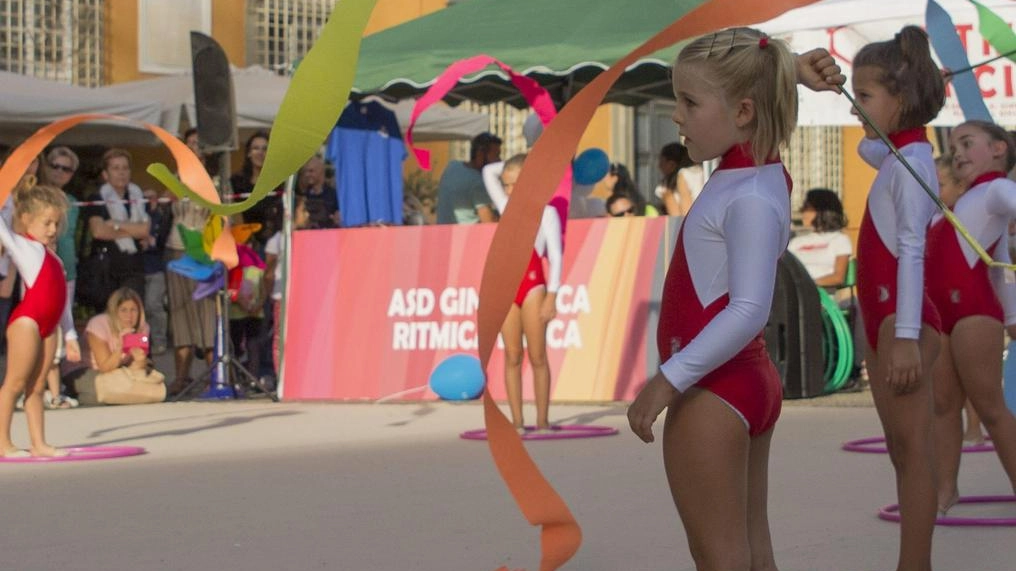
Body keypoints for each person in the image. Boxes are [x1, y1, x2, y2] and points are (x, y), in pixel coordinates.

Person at [627, 28, 843, 570]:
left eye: (688, 102)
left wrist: (666, 380)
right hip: (741, 383)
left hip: (714, 391)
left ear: (743, 111)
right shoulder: (757, 172)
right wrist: (788, 69)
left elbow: (748, 311)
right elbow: (751, 91)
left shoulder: (747, 194)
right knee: (750, 552)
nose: (676, 116)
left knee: (720, 558)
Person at [851, 26, 945, 571]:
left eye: (864, 96)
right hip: (885, 319)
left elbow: (912, 251)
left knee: (913, 455)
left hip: (903, 323)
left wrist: (906, 338)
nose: (854, 107)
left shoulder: (912, 165)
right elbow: (869, 143)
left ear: (902, 99)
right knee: (901, 452)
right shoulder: (895, 154)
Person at [928, 120, 1016, 514]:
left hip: (974, 313)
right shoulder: (952, 205)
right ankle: (946, 490)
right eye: (954, 145)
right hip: (940, 313)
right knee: (944, 406)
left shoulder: (996, 190)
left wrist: (1010, 317)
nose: (957, 152)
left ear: (999, 149)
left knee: (991, 407)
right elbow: (1001, 265)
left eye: (967, 143)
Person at [483, 154, 563, 432]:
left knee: (538, 356)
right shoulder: (505, 206)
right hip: (507, 288)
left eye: (514, 184)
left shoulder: (545, 212)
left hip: (533, 287)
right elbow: (487, 170)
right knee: (512, 356)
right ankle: (517, 421)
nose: (507, 190)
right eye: (505, 185)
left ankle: (542, 420)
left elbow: (555, 255)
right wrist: (512, 168)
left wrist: (552, 295)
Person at [0, 184, 69, 457]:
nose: (52, 230)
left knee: (38, 387)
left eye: (56, 223)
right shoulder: (22, 246)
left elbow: (63, 301)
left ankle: (38, 442)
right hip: (27, 322)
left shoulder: (54, 257)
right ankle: (3, 443)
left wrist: (72, 335)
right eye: (47, 223)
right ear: (27, 219)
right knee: (14, 383)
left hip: (49, 326)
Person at [38, 146, 83, 408]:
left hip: (67, 269)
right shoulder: (37, 197)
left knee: (62, 325)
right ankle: (37, 385)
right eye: (55, 166)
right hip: (39, 269)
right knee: (40, 328)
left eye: (66, 168)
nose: (60, 172)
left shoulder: (74, 202)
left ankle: (54, 389)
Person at [81, 148, 151, 308]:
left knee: (134, 318)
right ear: (105, 174)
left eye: (125, 168)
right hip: (106, 271)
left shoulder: (138, 196)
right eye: (116, 168)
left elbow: (144, 230)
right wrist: (133, 229)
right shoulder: (97, 198)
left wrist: (115, 224)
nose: (121, 173)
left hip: (134, 269)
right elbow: (98, 231)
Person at [77, 287, 164, 405]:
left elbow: (136, 366)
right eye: (123, 310)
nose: (129, 315)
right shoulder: (99, 324)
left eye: (133, 310)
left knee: (143, 389)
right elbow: (104, 367)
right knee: (98, 396)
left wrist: (140, 362)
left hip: (119, 370)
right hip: (87, 369)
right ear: (115, 311)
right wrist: (120, 348)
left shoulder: (143, 328)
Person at [263, 196, 310, 375]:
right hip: (282, 296)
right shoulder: (277, 241)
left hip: (301, 296)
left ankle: (301, 373)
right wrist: (266, 296)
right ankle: (282, 376)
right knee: (281, 337)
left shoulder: (305, 238)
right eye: (302, 211)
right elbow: (269, 273)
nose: (306, 215)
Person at [788, 188, 852, 286]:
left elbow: (838, 277)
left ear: (821, 211)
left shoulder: (839, 240)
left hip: (823, 295)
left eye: (807, 208)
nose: (802, 212)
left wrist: (807, 285)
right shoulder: (795, 242)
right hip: (795, 294)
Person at [435, 132, 501, 224]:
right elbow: (489, 221)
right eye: (496, 155)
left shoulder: (452, 166)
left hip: (442, 233)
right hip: (465, 236)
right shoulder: (477, 182)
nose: (499, 160)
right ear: (480, 155)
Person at [231, 131, 280, 247]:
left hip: (274, 244)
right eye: (256, 148)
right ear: (248, 153)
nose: (260, 153)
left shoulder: (279, 182)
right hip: (245, 243)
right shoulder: (236, 182)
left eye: (265, 149)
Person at [655, 142, 703, 216]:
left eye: (661, 162)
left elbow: (679, 215)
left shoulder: (682, 175)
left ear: (671, 164)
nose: (658, 166)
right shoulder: (702, 171)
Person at [297, 155, 340, 226]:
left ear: (320, 171)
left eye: (311, 171)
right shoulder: (302, 196)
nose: (307, 174)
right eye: (305, 171)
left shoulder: (334, 195)